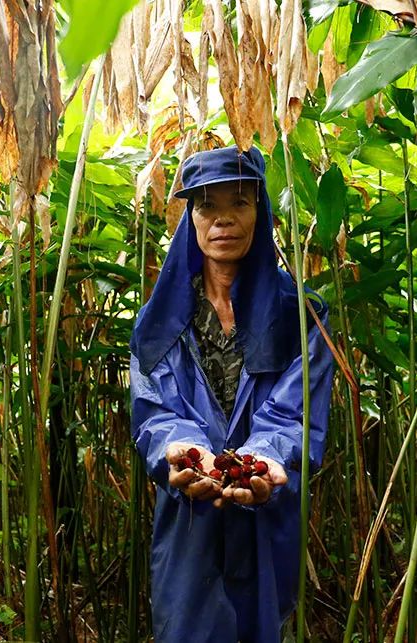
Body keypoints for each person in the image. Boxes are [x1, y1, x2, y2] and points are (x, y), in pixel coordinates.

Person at [129, 145, 334, 642]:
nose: (223, 220)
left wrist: (262, 458)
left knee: (261, 626)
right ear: (191, 218)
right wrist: (181, 451)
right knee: (187, 628)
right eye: (207, 206)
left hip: (267, 513)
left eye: (239, 203)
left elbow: (296, 412)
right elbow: (154, 412)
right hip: (188, 518)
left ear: (259, 210)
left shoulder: (301, 315)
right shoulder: (160, 322)